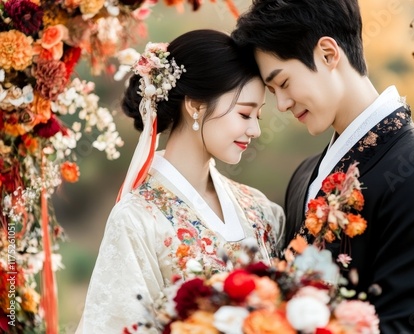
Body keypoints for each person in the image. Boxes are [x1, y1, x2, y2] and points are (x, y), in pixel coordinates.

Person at [231, 1, 414, 333]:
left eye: (283, 83)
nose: (282, 104)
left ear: (329, 54)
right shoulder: (305, 175)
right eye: (272, 92)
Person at [76, 29, 284, 333]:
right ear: (196, 106)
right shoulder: (137, 220)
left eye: (258, 117)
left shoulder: (260, 209)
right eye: (244, 114)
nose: (255, 131)